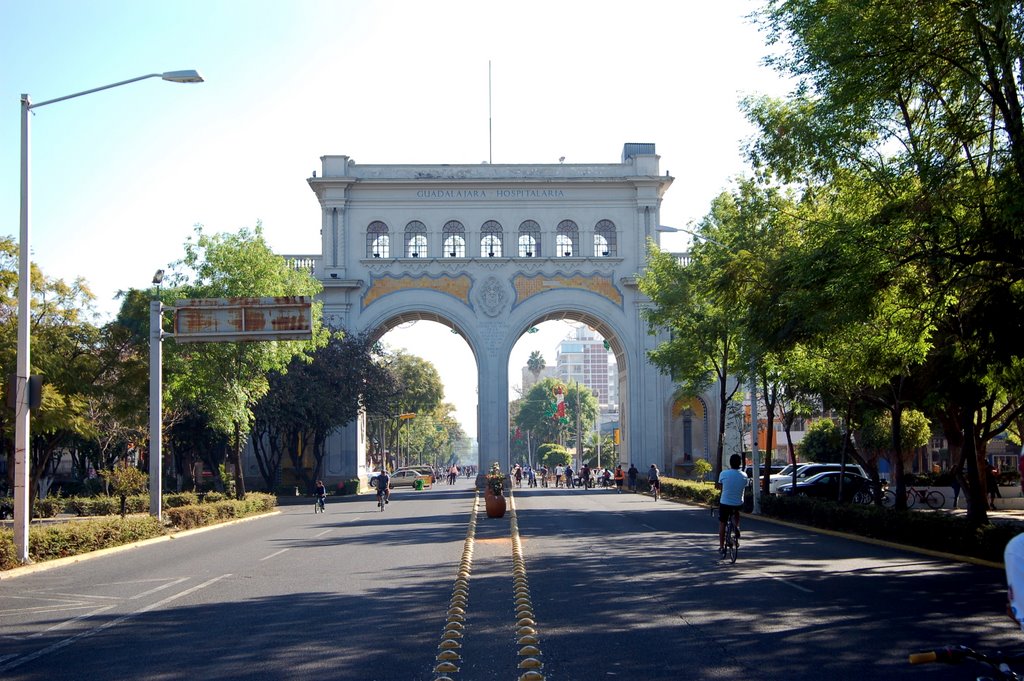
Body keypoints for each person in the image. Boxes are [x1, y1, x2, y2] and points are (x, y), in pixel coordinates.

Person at [717, 454, 748, 554]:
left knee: (723, 523)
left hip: (725, 502)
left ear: (730, 463)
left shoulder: (723, 474)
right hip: (738, 503)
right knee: (736, 512)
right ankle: (736, 526)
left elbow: (721, 489)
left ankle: (721, 547)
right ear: (740, 463)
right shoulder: (744, 475)